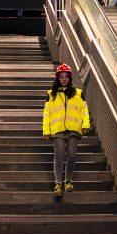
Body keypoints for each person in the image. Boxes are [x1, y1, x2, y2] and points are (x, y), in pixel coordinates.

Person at [41, 63, 91, 200]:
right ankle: (58, 183)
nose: (64, 79)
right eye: (61, 77)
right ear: (58, 78)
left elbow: (84, 110)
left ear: (70, 78)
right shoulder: (51, 95)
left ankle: (68, 181)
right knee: (59, 155)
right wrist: (46, 130)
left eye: (66, 76)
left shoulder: (78, 93)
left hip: (74, 129)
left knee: (72, 155)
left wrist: (86, 124)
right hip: (57, 130)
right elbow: (47, 113)